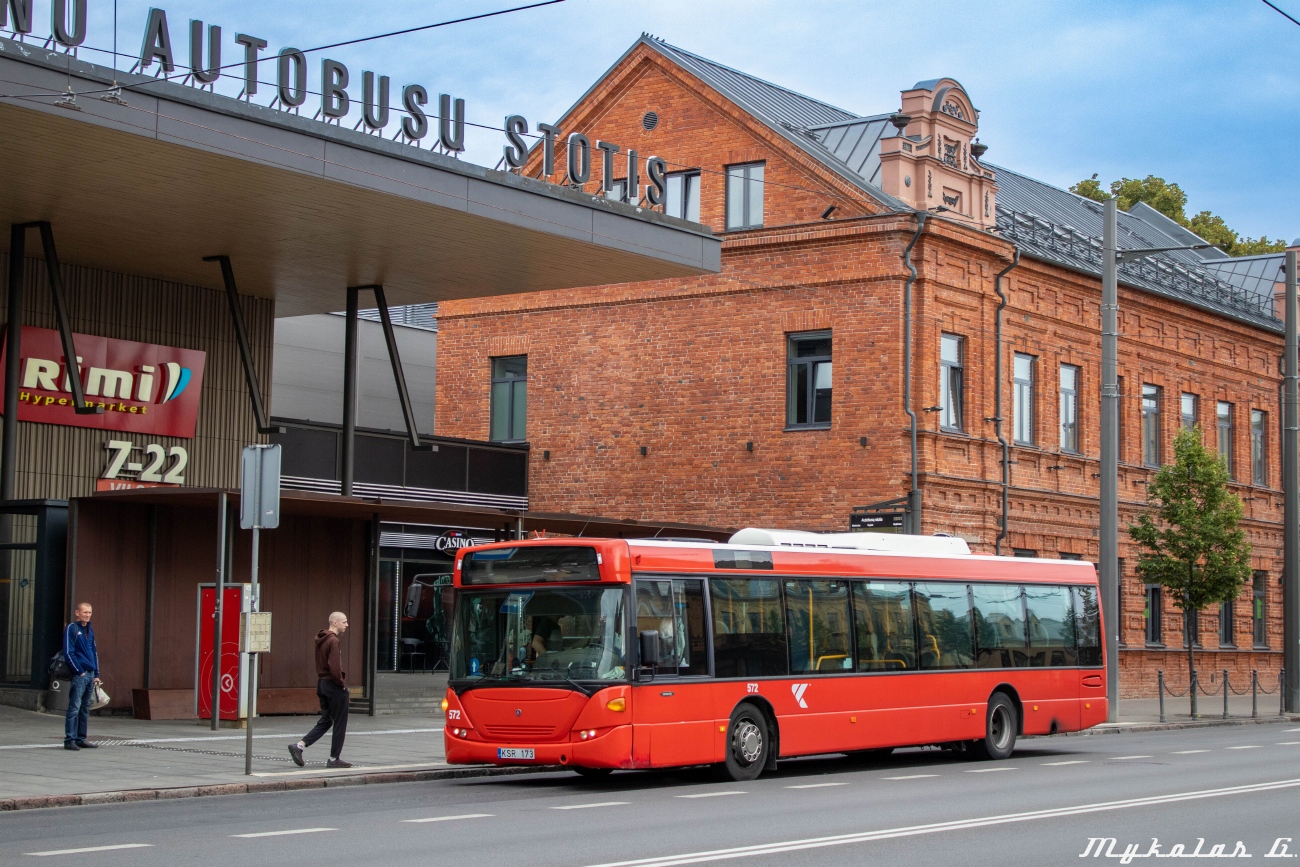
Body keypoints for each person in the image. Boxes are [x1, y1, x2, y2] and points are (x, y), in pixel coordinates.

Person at [288, 612, 351, 769]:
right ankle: (334, 758)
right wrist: (341, 683)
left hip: (322, 683)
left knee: (327, 719)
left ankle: (299, 746)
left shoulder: (321, 639)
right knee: (340, 722)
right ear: (335, 623)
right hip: (333, 685)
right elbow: (335, 667)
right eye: (344, 622)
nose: (347, 625)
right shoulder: (333, 641)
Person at [63, 602, 101, 751]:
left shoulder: (90, 630)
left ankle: (81, 738)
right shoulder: (72, 629)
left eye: (90, 612)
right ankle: (69, 739)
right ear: (77, 613)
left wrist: (96, 673)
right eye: (85, 612)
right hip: (81, 674)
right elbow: (68, 652)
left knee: (85, 707)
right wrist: (79, 671)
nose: (87, 615)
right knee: (74, 707)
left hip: (90, 674)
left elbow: (94, 651)